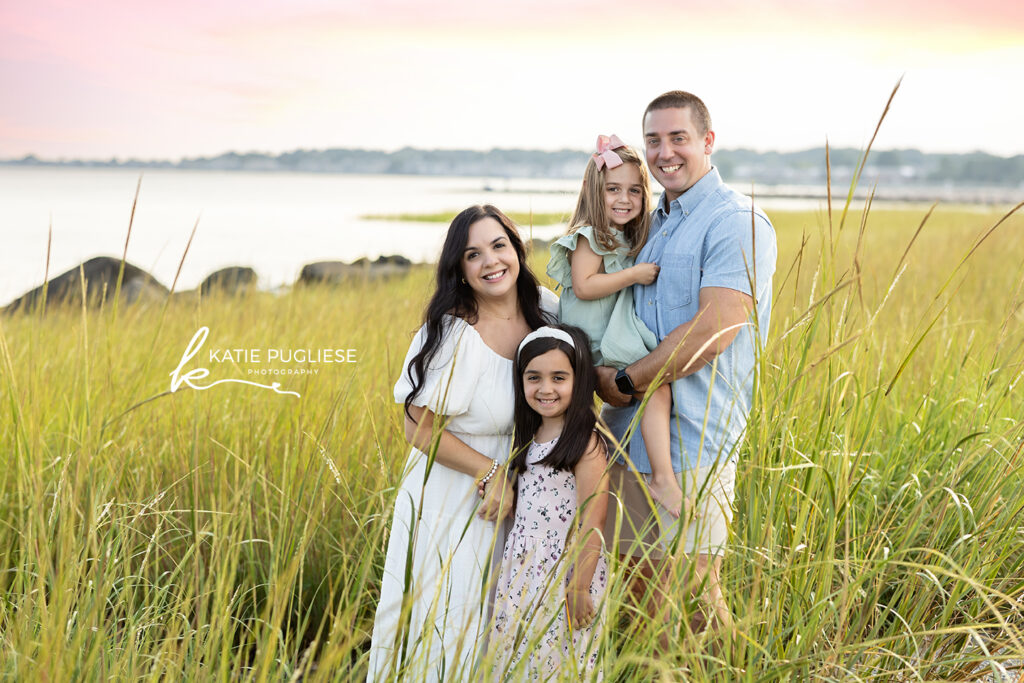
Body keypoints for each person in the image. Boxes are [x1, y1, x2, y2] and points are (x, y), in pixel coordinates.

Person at [598, 91, 777, 637]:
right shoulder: (654, 223)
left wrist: (624, 382)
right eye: (653, 140)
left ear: (707, 140)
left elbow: (713, 331)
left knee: (690, 584)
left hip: (696, 441)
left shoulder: (738, 221)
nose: (664, 152)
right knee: (635, 584)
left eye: (679, 138)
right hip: (629, 435)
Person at [367, 205, 558, 681]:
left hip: (520, 492)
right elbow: (417, 428)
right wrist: (490, 473)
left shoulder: (547, 311)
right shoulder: (455, 332)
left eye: (499, 246)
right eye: (473, 255)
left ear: (517, 249)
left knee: (504, 624)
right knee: (448, 623)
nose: (491, 262)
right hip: (451, 494)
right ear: (461, 269)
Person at [546, 135, 687, 518]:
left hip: (613, 337)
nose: (624, 199)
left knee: (655, 385)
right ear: (596, 192)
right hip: (590, 342)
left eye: (635, 191)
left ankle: (658, 476)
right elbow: (584, 286)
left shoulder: (626, 238)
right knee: (646, 389)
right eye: (613, 190)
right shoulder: (590, 238)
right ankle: (572, 486)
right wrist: (635, 274)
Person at [489, 324, 609, 680]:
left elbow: (593, 521)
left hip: (567, 571)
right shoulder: (526, 435)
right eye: (534, 378)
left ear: (579, 379)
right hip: (522, 569)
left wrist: (580, 586)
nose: (545, 389)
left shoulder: (586, 442)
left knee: (561, 662)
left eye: (559, 377)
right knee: (520, 659)